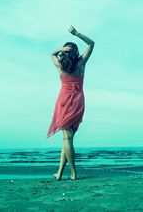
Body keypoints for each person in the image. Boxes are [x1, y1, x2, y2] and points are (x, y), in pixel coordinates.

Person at [47, 25, 95, 180]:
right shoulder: (81, 64)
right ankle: (60, 173)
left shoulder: (61, 66)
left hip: (64, 101)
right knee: (68, 138)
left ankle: (73, 172)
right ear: (75, 52)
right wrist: (77, 33)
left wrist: (62, 48)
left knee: (67, 138)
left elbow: (52, 54)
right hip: (78, 101)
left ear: (64, 52)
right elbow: (91, 43)